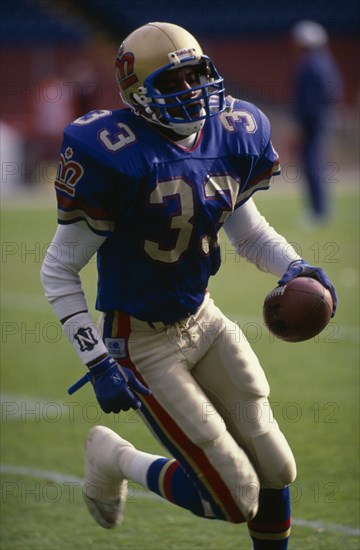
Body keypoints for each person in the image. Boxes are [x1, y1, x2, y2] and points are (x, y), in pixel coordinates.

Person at [40, 22, 337, 549]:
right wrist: (97, 361)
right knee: (234, 496)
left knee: (277, 466)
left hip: (204, 318)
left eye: (197, 75)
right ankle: (115, 456)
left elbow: (250, 232)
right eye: (174, 83)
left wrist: (294, 266)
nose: (194, 92)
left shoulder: (233, 130)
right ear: (139, 95)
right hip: (144, 340)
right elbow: (58, 270)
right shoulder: (111, 150)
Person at [291, 20, 343, 222]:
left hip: (312, 123)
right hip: (317, 121)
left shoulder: (312, 64)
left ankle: (319, 211)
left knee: (313, 165)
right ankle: (319, 209)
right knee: (315, 164)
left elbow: (312, 99)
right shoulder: (324, 61)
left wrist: (306, 122)